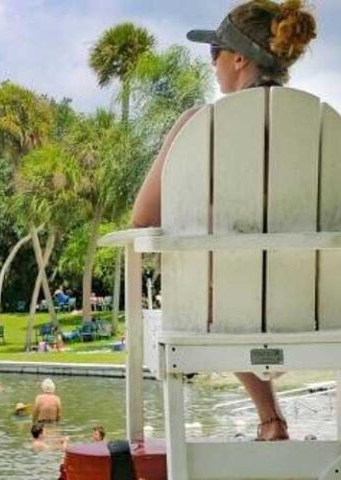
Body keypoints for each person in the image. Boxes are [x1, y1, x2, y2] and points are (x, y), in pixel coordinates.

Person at [131, 0, 316, 441]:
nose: (211, 63)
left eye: (215, 52)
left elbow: (144, 217)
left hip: (227, 307)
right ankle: (270, 418)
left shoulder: (200, 124)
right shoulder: (323, 126)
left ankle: (270, 416)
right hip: (317, 305)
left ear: (238, 59)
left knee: (201, 261)